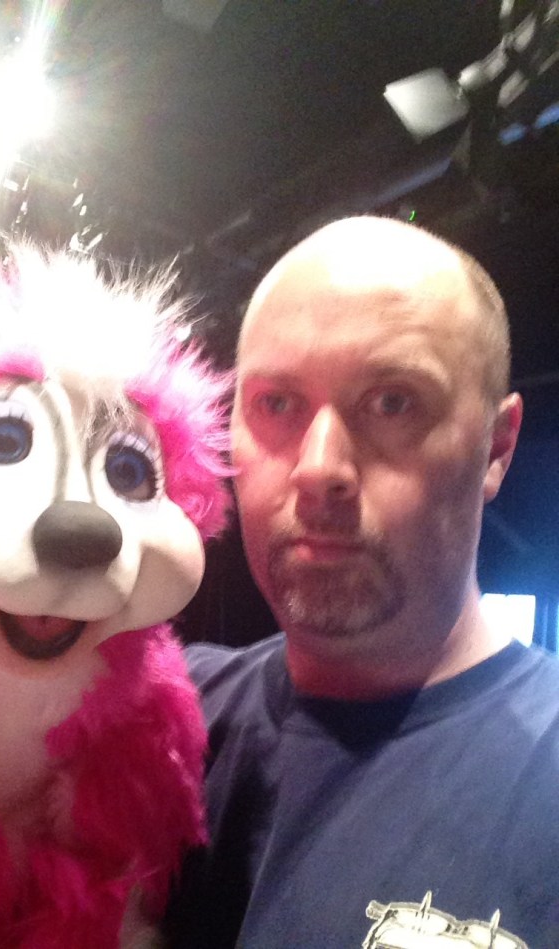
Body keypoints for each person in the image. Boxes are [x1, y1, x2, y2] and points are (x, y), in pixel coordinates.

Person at [164, 216, 559, 948]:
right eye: (277, 404)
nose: (319, 467)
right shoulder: (157, 720)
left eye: (392, 402)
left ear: (497, 447)